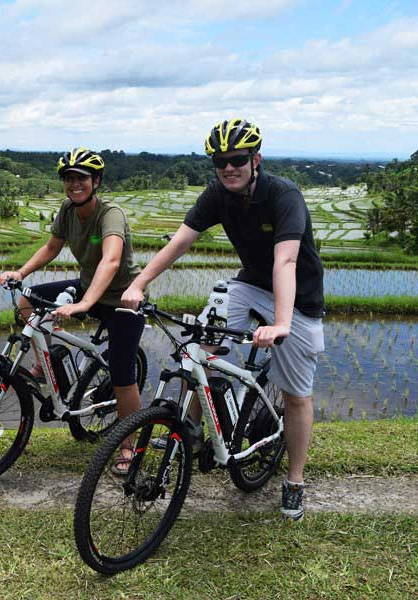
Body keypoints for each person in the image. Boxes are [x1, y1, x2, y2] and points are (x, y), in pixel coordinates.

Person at [121, 119, 324, 520]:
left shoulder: (284, 196)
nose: (229, 168)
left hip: (298, 300)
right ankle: (191, 432)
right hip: (248, 285)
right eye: (220, 162)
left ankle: (295, 480)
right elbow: (180, 241)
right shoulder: (217, 193)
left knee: (296, 395)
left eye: (237, 160)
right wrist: (138, 285)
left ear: (255, 160)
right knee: (198, 350)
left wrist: (281, 323)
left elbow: (286, 261)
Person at [0, 148, 145, 474]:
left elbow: (111, 261)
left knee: (122, 376)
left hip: (123, 298)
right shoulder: (67, 210)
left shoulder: (110, 214)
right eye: (69, 178)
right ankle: (45, 364)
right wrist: (20, 272)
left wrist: (85, 303)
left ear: (96, 182)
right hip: (89, 286)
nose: (75, 184)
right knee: (28, 301)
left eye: (82, 178)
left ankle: (128, 447)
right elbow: (52, 247)